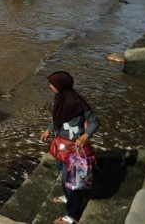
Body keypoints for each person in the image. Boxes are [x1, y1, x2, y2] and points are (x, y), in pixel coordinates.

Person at [41, 71, 100, 224]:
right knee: (63, 174)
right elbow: (57, 118)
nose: (50, 86)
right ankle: (67, 197)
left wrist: (85, 136)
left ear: (61, 85)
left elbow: (94, 122)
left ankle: (73, 216)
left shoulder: (77, 103)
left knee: (73, 183)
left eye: (52, 84)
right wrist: (48, 129)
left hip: (74, 149)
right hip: (61, 147)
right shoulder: (60, 98)